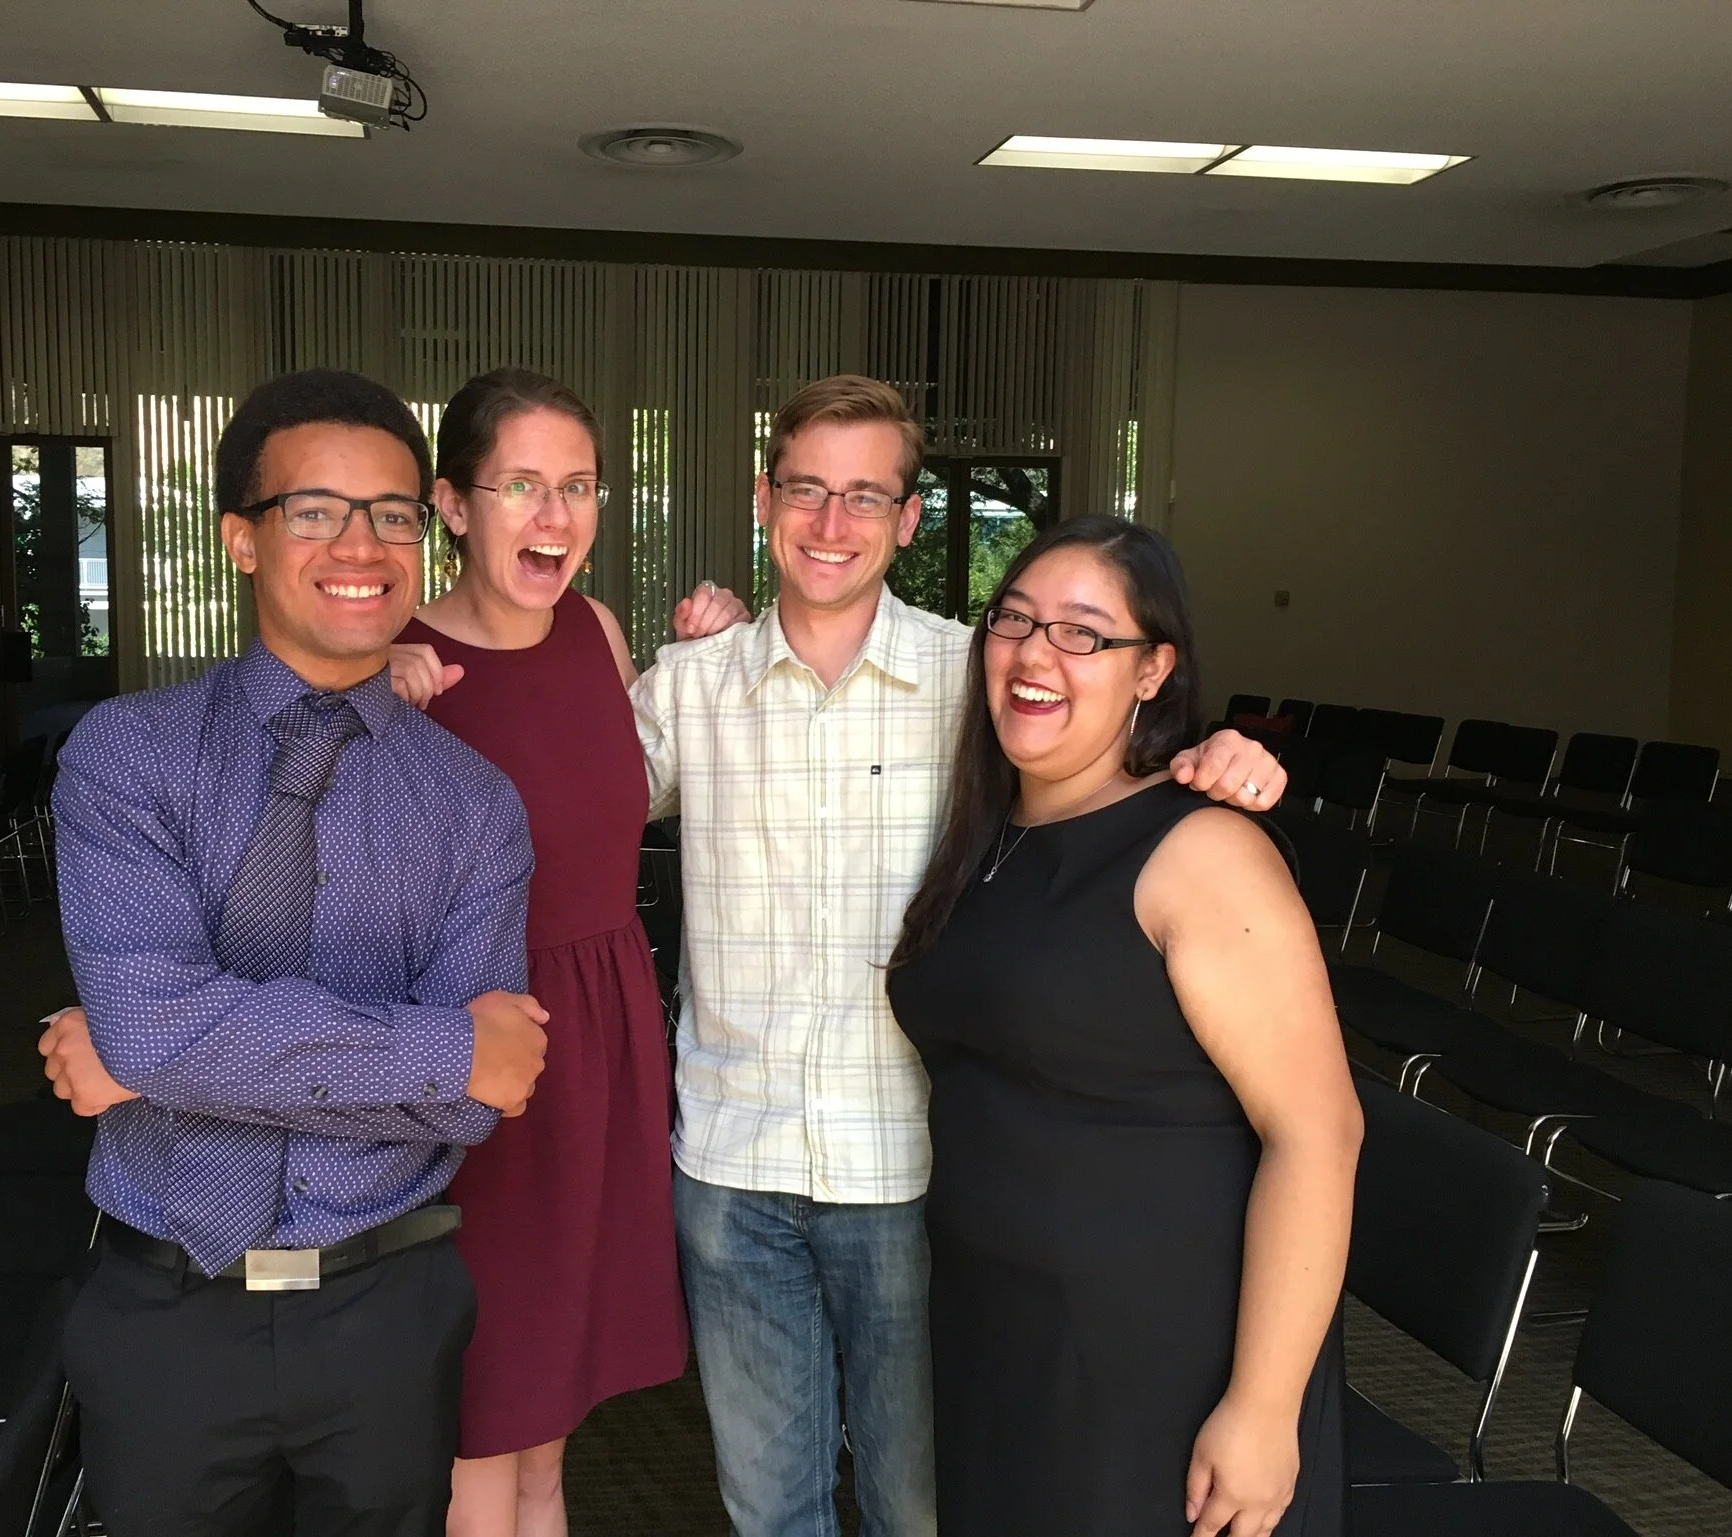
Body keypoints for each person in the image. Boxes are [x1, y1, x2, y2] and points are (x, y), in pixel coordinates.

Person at [619, 378, 1290, 1537]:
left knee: (925, 1509)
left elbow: (1107, 764)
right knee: (768, 1511)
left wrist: (1218, 753)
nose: (832, 523)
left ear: (910, 520)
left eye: (865, 496)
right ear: (761, 499)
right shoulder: (690, 686)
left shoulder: (979, 678)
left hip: (919, 1174)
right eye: (807, 490)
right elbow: (551, 814)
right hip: (731, 1165)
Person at [39, 368, 551, 1537]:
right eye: (315, 510)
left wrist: (163, 1059)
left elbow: (484, 1099)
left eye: (392, 513)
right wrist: (439, 1050)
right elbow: (161, 1025)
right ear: (241, 539)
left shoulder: (473, 805)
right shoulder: (129, 756)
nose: (359, 543)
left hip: (387, 1316)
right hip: (166, 1307)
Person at [885, 516, 1360, 1536]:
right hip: (1000, 1333)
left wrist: (1265, 1410)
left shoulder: (1201, 852)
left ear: (1154, 670)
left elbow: (1318, 1134)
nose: (1034, 652)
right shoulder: (990, 835)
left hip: (1153, 1354)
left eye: (1083, 633)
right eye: (1015, 619)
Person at [399, 368, 692, 1536]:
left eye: (578, 486)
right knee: (484, 1418)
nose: (555, 514)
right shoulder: (398, 666)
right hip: (486, 1057)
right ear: (454, 505)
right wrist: (372, 700)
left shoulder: (598, 630)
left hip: (609, 1037)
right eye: (521, 484)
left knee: (549, 1428)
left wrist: (703, 654)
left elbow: (629, 789)